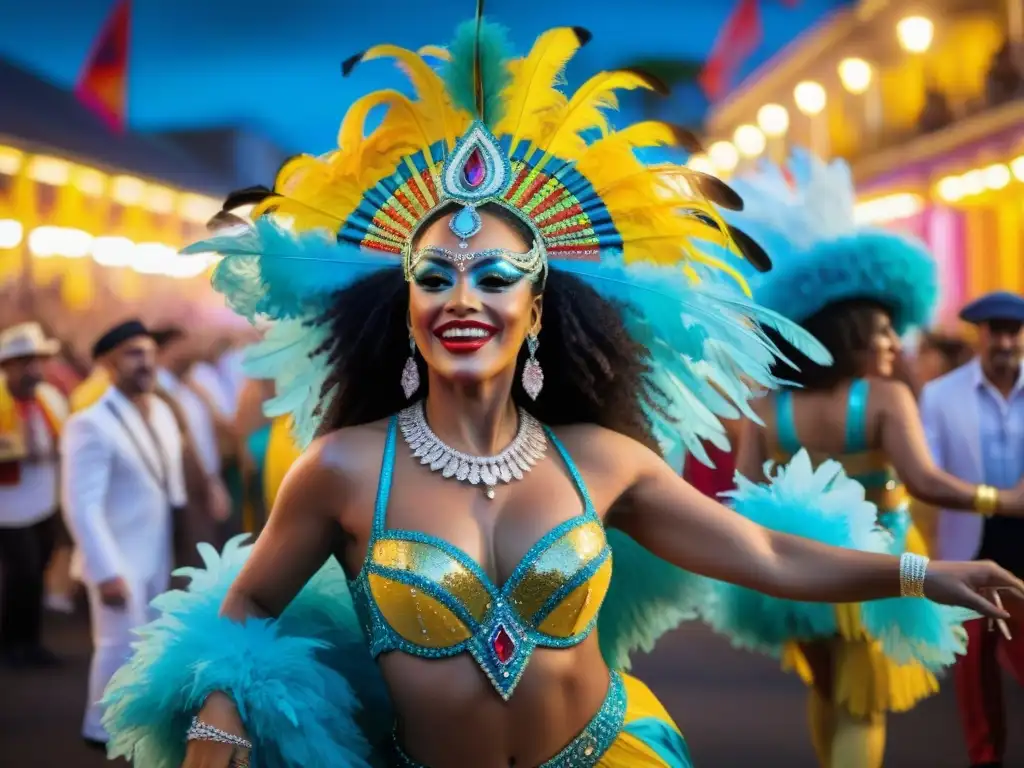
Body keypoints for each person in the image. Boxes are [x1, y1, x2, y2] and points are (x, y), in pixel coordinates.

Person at [100, 19, 1022, 768]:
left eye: (497, 277)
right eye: (435, 277)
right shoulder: (343, 469)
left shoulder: (601, 460)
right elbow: (251, 606)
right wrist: (220, 716)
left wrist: (926, 572)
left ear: (538, 313)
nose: (464, 298)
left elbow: (768, 557)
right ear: (407, 310)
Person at [702, 152, 1024, 768]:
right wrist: (1001, 500)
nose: (890, 342)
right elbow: (927, 482)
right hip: (875, 565)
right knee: (861, 707)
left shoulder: (769, 405)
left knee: (828, 689)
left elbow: (743, 491)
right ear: (845, 336)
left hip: (798, 569)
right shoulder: (882, 397)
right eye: (877, 332)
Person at [61, 320, 187, 748]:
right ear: (106, 364)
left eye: (149, 352)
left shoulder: (163, 411)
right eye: (134, 353)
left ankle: (138, 726)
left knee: (150, 644)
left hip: (155, 549)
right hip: (115, 557)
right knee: (116, 646)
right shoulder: (89, 423)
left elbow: (169, 483)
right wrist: (104, 569)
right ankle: (99, 730)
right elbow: (81, 504)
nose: (146, 362)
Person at [920, 292, 1024, 768]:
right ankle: (986, 759)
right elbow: (928, 474)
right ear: (978, 334)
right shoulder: (941, 395)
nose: (1004, 340)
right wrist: (994, 499)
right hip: (971, 540)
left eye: (1012, 330)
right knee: (975, 666)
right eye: (994, 330)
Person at [0, 322, 68, 666]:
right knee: (22, 569)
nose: (33, 369)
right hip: (8, 505)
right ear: (8, 366)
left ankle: (30, 641)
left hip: (44, 498)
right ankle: (13, 643)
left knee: (37, 568)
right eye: (25, 362)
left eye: (37, 361)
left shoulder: (50, 398)